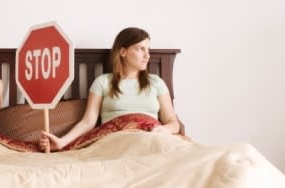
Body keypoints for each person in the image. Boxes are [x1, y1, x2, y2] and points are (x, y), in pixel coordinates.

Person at [40, 27, 180, 151]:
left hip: (152, 139)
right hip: (117, 142)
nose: (147, 55)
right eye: (140, 49)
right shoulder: (103, 82)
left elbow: (173, 122)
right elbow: (88, 122)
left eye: (148, 49)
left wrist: (163, 130)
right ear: (123, 52)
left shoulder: (156, 82)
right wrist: (62, 142)